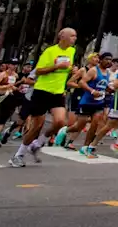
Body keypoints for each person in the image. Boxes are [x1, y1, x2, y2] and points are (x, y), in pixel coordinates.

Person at [11, 28, 77, 167]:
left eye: (75, 36)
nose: (74, 38)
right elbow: (39, 70)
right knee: (36, 126)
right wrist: (56, 66)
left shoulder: (72, 51)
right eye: (72, 36)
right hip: (42, 91)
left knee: (60, 122)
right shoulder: (50, 51)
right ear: (62, 37)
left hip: (58, 92)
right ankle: (18, 155)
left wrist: (71, 69)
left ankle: (37, 144)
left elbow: (66, 68)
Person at [0, 58, 23, 147]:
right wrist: (6, 86)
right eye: (13, 64)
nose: (14, 66)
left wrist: (16, 89)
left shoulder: (15, 75)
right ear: (8, 65)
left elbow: (12, 87)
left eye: (16, 64)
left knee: (2, 119)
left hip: (7, 97)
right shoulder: (3, 74)